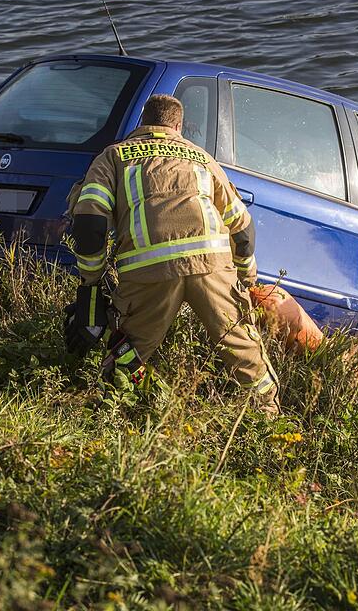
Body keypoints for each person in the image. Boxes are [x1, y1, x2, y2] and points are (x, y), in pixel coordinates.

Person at [65, 94, 279, 415]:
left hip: (149, 271)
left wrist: (91, 282)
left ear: (142, 121)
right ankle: (268, 419)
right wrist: (246, 278)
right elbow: (243, 227)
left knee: (128, 350)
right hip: (212, 268)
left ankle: (118, 412)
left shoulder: (114, 156)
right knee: (243, 349)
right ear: (178, 126)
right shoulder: (203, 158)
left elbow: (89, 222)